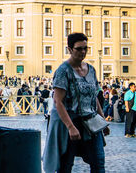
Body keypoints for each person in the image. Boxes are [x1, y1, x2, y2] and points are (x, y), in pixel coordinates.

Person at [43, 33, 109, 173]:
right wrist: (70, 127)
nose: (83, 52)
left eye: (85, 48)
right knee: (66, 165)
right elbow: (58, 102)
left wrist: (102, 121)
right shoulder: (63, 71)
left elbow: (94, 97)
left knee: (99, 163)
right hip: (70, 122)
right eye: (79, 49)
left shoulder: (91, 69)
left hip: (91, 123)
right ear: (70, 49)